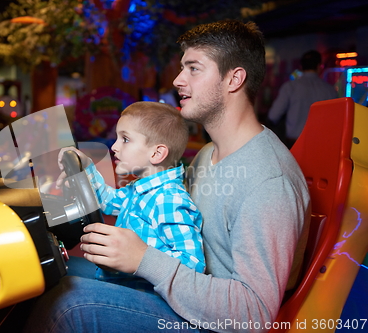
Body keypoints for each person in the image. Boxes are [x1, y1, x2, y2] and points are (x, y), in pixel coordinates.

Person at [23, 19, 310, 333]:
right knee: (43, 271)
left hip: (207, 323)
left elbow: (252, 313)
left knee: (69, 303)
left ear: (234, 79)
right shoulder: (206, 156)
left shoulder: (268, 181)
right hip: (176, 297)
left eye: (193, 68)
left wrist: (143, 259)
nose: (177, 79)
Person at [58, 101, 205, 292]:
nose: (114, 147)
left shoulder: (169, 199)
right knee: (56, 269)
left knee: (64, 292)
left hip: (144, 294)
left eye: (125, 139)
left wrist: (139, 256)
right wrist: (87, 167)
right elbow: (108, 201)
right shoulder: (140, 188)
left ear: (156, 153)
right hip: (120, 280)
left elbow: (193, 266)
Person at [268, 50, 337, 148]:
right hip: (320, 144)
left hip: (294, 144)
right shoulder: (330, 90)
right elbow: (335, 120)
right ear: (319, 66)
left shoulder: (290, 87)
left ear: (301, 66)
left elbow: (273, 116)